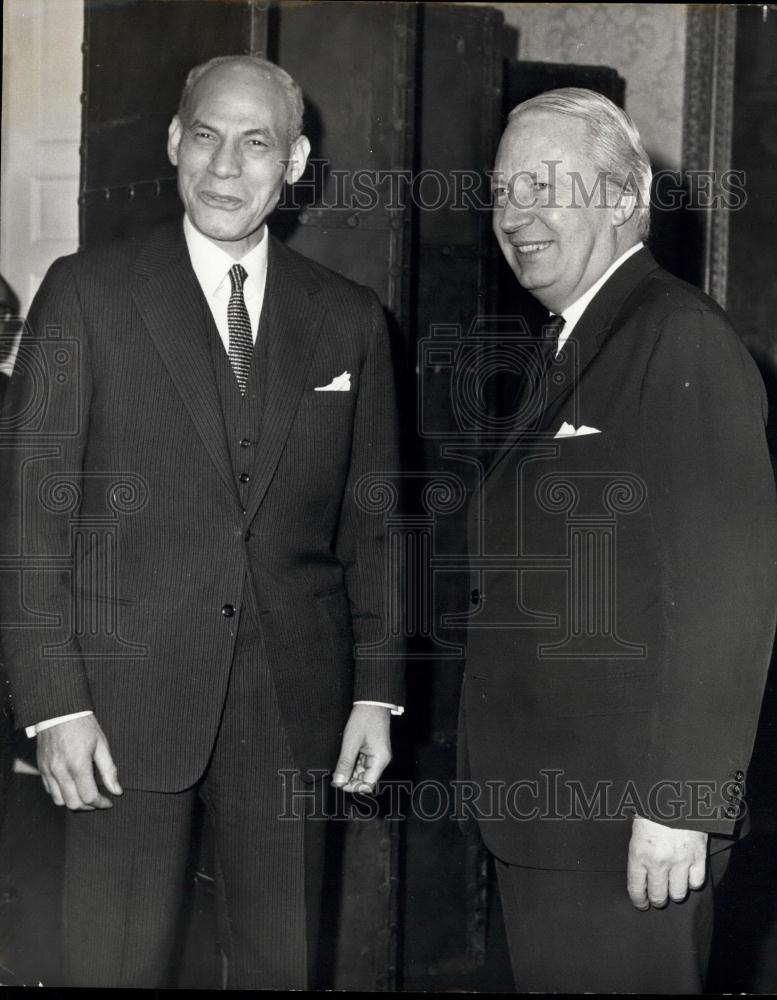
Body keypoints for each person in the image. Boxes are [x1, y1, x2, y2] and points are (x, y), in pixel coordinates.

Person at [0, 55, 403, 988]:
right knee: (113, 960)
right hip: (119, 706)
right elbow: (29, 518)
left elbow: (375, 523)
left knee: (283, 960)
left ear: (295, 161)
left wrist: (375, 694)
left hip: (295, 704)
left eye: (256, 143)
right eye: (208, 137)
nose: (226, 167)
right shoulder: (87, 294)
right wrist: (56, 703)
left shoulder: (347, 320)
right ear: (175, 143)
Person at [459, 87, 777, 992]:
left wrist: (680, 800)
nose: (514, 215)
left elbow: (729, 588)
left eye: (543, 186)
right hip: (555, 815)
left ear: (620, 200)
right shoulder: (573, 341)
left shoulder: (676, 338)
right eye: (500, 191)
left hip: (628, 824)